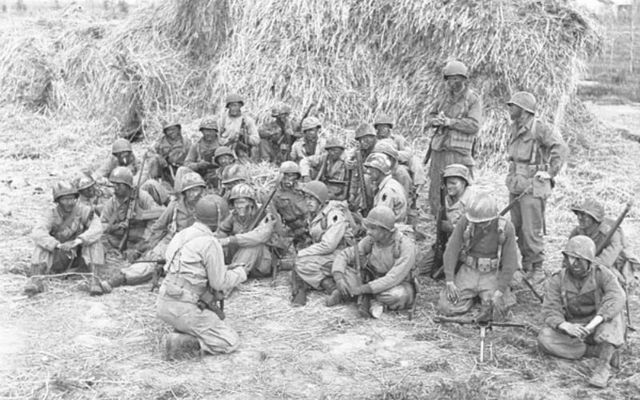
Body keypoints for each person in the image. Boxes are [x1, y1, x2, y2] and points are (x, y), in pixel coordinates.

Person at [157, 197, 250, 360]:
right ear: (219, 219)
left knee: (212, 322)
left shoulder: (181, 235)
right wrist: (240, 273)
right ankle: (181, 343)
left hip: (164, 303)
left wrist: (226, 268)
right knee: (230, 341)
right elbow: (218, 283)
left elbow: (188, 270)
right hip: (185, 307)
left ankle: (184, 330)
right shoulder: (210, 243)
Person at [537, 236, 626, 388]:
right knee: (544, 338)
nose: (574, 264)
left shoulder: (602, 274)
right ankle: (597, 351)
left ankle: (603, 367)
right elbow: (550, 308)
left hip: (598, 325)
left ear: (589, 261)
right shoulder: (558, 278)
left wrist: (595, 322)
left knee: (615, 314)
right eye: (570, 258)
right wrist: (564, 325)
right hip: (574, 329)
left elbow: (617, 296)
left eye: (579, 259)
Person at [105, 172, 211, 289]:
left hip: (197, 244)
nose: (193, 194)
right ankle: (119, 278)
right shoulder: (175, 205)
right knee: (151, 262)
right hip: (173, 240)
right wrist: (146, 245)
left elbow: (219, 229)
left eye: (197, 190)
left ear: (202, 190)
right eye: (190, 191)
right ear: (184, 193)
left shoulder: (209, 205)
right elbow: (159, 226)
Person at [505, 91, 568, 277]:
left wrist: (549, 173)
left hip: (533, 186)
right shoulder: (515, 127)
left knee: (531, 229)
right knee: (516, 227)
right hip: (516, 185)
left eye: (513, 106)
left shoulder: (539, 128)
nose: (509, 109)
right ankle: (527, 266)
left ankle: (538, 268)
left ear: (523, 110)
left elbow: (561, 148)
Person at [436, 193, 518, 319]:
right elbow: (451, 250)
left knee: (499, 309)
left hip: (492, 272)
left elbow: (510, 261)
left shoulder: (506, 228)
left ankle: (484, 299)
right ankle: (472, 300)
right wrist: (450, 281)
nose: (478, 225)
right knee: (445, 306)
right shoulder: (465, 221)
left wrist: (500, 290)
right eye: (475, 222)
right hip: (469, 270)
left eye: (483, 222)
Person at [329, 206, 416, 318]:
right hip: (371, 278)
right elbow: (345, 255)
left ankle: (366, 299)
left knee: (397, 295)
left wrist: (363, 289)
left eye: (373, 228)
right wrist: (339, 278)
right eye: (368, 227)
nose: (368, 232)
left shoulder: (406, 246)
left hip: (396, 284)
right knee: (344, 273)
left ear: (386, 231)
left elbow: (393, 278)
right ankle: (354, 294)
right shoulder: (371, 240)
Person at [25, 180, 105, 296]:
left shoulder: (83, 210)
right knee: (41, 245)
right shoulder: (51, 214)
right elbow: (38, 232)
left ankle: (94, 279)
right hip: (58, 256)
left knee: (95, 242)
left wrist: (79, 240)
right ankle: (36, 280)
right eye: (65, 199)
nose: (69, 203)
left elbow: (97, 228)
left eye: (72, 198)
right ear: (58, 201)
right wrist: (57, 245)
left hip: (79, 257)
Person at [425, 60, 482, 217]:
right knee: (436, 188)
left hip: (458, 153)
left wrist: (451, 122)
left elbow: (474, 125)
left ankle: (457, 222)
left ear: (464, 79)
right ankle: (438, 223)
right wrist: (435, 121)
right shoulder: (443, 98)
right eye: (450, 78)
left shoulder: (472, 100)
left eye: (457, 78)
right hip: (439, 150)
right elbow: (430, 116)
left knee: (457, 188)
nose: (453, 82)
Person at [292, 181, 353, 306]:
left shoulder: (334, 214)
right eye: (307, 198)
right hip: (330, 253)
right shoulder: (316, 213)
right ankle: (329, 287)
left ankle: (328, 288)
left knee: (301, 263)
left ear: (321, 201)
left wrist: (303, 253)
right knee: (298, 265)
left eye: (312, 199)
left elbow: (328, 245)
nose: (308, 202)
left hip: (342, 254)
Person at [218, 183, 277, 278]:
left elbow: (260, 236)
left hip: (260, 262)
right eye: (236, 203)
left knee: (252, 245)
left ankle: (233, 276)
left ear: (250, 202)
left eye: (242, 202)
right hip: (239, 257)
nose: (239, 206)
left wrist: (230, 240)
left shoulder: (264, 214)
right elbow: (222, 230)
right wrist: (221, 243)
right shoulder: (234, 215)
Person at [423, 163, 474, 275]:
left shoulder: (473, 201)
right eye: (447, 183)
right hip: (445, 243)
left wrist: (453, 228)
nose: (449, 186)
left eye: (453, 183)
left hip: (466, 248)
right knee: (423, 268)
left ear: (464, 182)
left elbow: (477, 231)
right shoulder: (446, 200)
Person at [101, 167, 164, 252]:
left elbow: (157, 217)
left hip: (142, 232)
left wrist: (141, 216)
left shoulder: (143, 197)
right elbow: (102, 224)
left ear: (127, 185)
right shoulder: (112, 202)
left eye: (119, 185)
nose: (115, 187)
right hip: (122, 235)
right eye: (114, 184)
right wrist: (116, 226)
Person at [93, 138, 169, 206]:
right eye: (120, 154)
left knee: (151, 183)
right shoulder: (112, 160)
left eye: (125, 154)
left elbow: (143, 173)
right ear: (116, 155)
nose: (123, 157)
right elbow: (99, 173)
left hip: (135, 190)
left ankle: (168, 205)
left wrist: (129, 183)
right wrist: (102, 180)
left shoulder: (136, 160)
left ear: (130, 153)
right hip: (117, 191)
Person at [373, 114, 426, 198]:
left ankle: (409, 196)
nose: (381, 129)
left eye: (384, 127)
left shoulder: (398, 139)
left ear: (389, 128)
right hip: (378, 166)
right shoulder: (373, 140)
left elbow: (409, 153)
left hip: (395, 164)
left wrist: (395, 154)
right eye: (379, 127)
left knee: (404, 172)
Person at [270, 161, 310, 247]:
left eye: (293, 175)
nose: (289, 178)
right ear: (281, 176)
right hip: (291, 228)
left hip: (307, 224)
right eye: (287, 175)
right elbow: (275, 216)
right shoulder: (275, 194)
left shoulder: (304, 189)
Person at [363, 153, 407, 223]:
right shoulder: (388, 183)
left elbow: (381, 218)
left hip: (389, 228)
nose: (368, 171)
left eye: (371, 169)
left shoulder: (387, 190)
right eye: (367, 168)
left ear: (380, 170)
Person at [147, 121, 192, 189]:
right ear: (165, 132)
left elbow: (192, 158)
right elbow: (149, 153)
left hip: (181, 170)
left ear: (178, 129)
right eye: (168, 130)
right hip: (165, 171)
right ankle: (154, 185)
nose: (171, 132)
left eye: (173, 129)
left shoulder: (186, 142)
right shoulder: (160, 142)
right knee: (154, 160)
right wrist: (159, 157)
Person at [218, 93, 260, 162]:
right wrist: (228, 141)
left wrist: (245, 136)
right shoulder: (222, 120)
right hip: (225, 149)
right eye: (231, 106)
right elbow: (216, 137)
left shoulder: (248, 120)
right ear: (228, 107)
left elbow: (256, 140)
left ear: (240, 106)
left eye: (235, 106)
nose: (233, 108)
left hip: (242, 150)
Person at [185, 117, 221, 187]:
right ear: (202, 131)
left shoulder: (222, 144)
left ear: (215, 131)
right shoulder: (196, 146)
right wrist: (198, 165)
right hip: (200, 174)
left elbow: (231, 162)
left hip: (218, 173)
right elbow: (187, 163)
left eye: (211, 131)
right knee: (182, 170)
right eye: (205, 131)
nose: (208, 133)